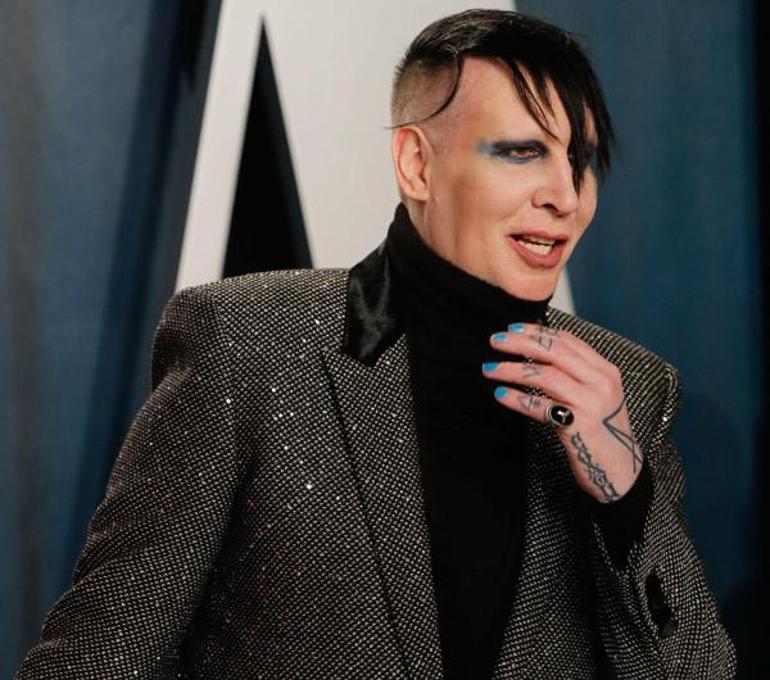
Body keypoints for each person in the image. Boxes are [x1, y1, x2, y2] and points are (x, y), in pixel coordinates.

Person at [17, 9, 735, 679]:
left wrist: (625, 497)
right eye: (522, 153)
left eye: (582, 161)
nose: (565, 196)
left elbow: (699, 670)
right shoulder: (247, 345)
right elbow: (97, 657)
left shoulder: (629, 390)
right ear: (417, 164)